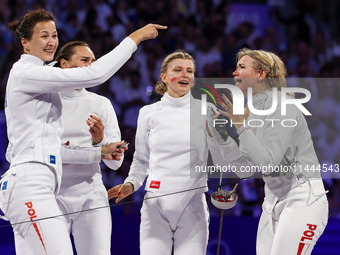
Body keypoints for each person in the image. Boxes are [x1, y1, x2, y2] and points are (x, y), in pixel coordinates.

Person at [0, 8, 166, 255]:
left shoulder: (42, 80)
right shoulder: (26, 72)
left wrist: (98, 146)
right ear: (25, 42)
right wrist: (135, 38)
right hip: (30, 185)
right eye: (43, 35)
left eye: (54, 35)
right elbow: (96, 74)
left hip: (42, 185)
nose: (51, 41)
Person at [207, 48, 329, 255]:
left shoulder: (282, 105)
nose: (234, 72)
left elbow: (268, 163)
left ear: (261, 74)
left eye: (242, 67)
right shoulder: (251, 112)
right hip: (271, 201)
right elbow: (245, 170)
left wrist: (241, 126)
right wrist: (218, 138)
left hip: (303, 200)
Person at [108, 50, 223, 255]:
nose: (185, 75)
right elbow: (141, 159)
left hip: (193, 204)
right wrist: (131, 184)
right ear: (164, 77)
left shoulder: (207, 110)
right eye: (177, 70)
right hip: (155, 204)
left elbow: (222, 156)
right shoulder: (148, 113)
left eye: (189, 71)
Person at [52, 41, 126, 255]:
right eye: (84, 60)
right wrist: (98, 150)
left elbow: (115, 163)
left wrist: (98, 142)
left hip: (91, 195)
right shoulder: (47, 100)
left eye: (93, 62)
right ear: (64, 64)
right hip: (53, 194)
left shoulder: (101, 103)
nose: (91, 66)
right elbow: (49, 153)